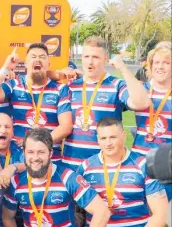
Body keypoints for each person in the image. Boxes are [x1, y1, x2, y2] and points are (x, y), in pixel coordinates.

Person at [59, 36, 151, 170]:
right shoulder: (70, 86)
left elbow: (141, 103)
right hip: (71, 166)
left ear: (106, 58)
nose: (90, 62)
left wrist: (123, 69)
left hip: (103, 169)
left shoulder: (116, 85)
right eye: (86, 56)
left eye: (96, 57)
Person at [0, 43, 73, 162]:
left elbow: (66, 127)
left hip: (48, 159)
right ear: (25, 64)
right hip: (16, 158)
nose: (38, 59)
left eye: (42, 57)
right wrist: (6, 68)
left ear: (48, 64)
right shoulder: (15, 84)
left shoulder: (60, 89)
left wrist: (37, 143)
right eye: (33, 57)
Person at [131, 42, 172, 199]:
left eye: (166, 63)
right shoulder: (140, 90)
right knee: (139, 217)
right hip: (138, 163)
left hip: (166, 166)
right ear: (150, 65)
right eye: (157, 62)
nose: (160, 67)